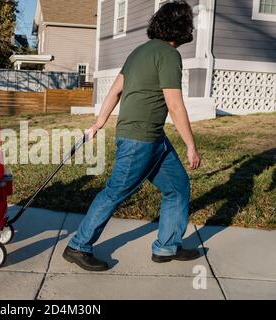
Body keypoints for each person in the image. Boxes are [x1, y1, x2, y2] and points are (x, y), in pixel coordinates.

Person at [63, 1, 202, 271]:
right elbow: (174, 105)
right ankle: (78, 246)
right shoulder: (169, 55)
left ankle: (166, 247)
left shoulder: (139, 52)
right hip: (141, 140)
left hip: (153, 138)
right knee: (115, 191)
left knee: (177, 186)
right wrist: (191, 146)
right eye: (189, 21)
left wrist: (98, 124)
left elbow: (115, 91)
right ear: (181, 26)